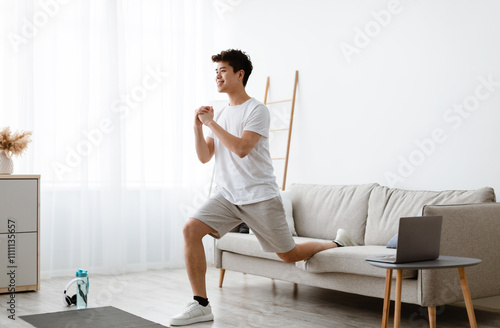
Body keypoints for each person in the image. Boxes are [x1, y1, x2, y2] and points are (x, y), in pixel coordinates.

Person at [170, 49, 357, 326]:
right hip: (227, 195)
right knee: (190, 229)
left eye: (222, 70)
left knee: (288, 255)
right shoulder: (219, 112)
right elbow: (204, 156)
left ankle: (336, 242)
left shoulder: (257, 110)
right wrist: (198, 127)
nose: (217, 76)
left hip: (259, 196)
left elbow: (242, 148)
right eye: (215, 71)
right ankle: (201, 304)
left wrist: (211, 123)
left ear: (239, 74)